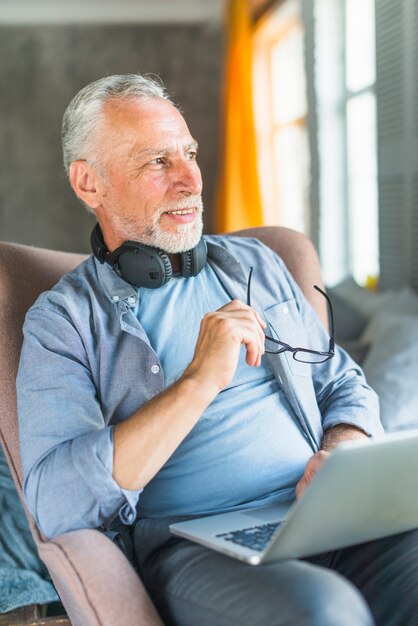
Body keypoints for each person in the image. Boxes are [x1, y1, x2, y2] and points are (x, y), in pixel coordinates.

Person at [16, 74, 418, 626]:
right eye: (158, 162)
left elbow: (341, 381)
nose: (190, 180)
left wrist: (343, 448)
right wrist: (199, 380)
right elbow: (57, 501)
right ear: (90, 184)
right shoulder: (63, 322)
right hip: (200, 549)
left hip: (326, 513)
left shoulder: (255, 263)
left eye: (189, 154)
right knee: (325, 611)